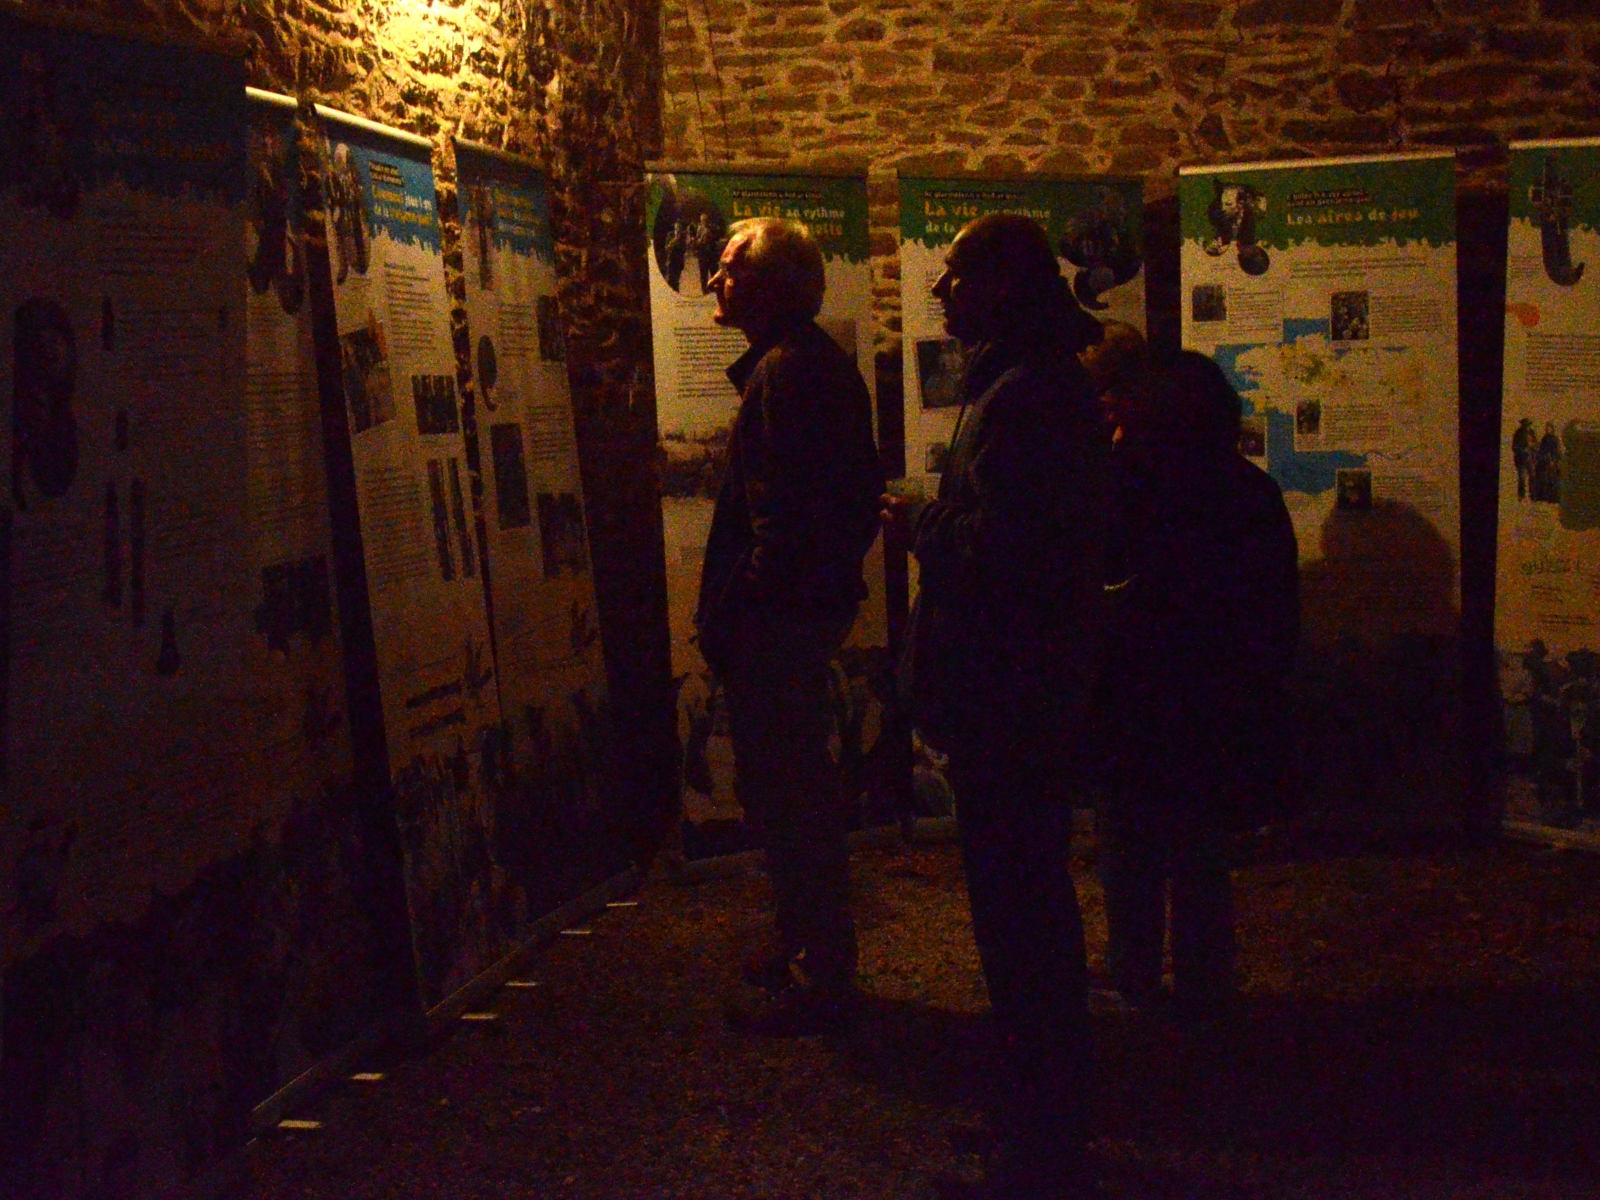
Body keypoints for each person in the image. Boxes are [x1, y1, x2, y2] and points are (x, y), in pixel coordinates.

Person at [882, 214, 1107, 1199]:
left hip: (1011, 691)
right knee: (1018, 908)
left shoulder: (1028, 395)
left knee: (1022, 915)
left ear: (1002, 287)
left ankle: (1045, 1136)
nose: (940, 292)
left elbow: (1006, 548)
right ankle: (1033, 1111)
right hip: (1011, 687)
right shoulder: (1024, 383)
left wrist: (919, 523)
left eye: (956, 274)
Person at [696, 217, 883, 1036]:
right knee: (788, 787)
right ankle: (804, 944)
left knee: (789, 793)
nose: (714, 281)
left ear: (771, 287)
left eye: (729, 267)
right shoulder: (809, 366)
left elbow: (781, 523)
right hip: (796, 615)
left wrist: (748, 615)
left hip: (779, 625)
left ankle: (820, 973)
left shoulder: (787, 375)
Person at [1097, 350, 1299, 1025]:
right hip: (1213, 701)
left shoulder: (1129, 487)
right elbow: (1274, 612)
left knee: (1132, 845)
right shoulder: (1247, 491)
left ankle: (1135, 975)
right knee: (1198, 851)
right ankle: (1204, 985)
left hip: (1139, 698)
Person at [1513, 418, 1536, 501]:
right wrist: (1523, 450)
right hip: (1521, 459)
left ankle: (1532, 494)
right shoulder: (1518, 433)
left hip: (1530, 458)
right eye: (1526, 425)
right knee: (1522, 478)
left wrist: (1532, 447)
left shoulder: (1531, 432)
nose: (1527, 427)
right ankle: (1521, 495)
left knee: (1532, 476)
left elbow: (1535, 444)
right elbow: (1514, 447)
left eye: (1528, 425)